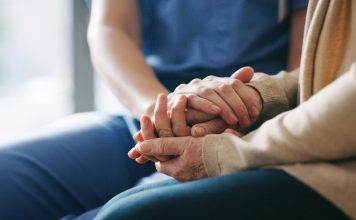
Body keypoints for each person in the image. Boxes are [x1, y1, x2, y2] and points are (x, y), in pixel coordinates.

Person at [0, 0, 307, 219]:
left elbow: (306, 73)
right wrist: (160, 111)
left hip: (241, 133)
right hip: (140, 119)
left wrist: (228, 122)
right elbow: (110, 28)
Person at [94, 0, 356, 219]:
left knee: (121, 214)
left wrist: (224, 151)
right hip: (158, 116)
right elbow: (323, 72)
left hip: (319, 158)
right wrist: (257, 95)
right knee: (60, 182)